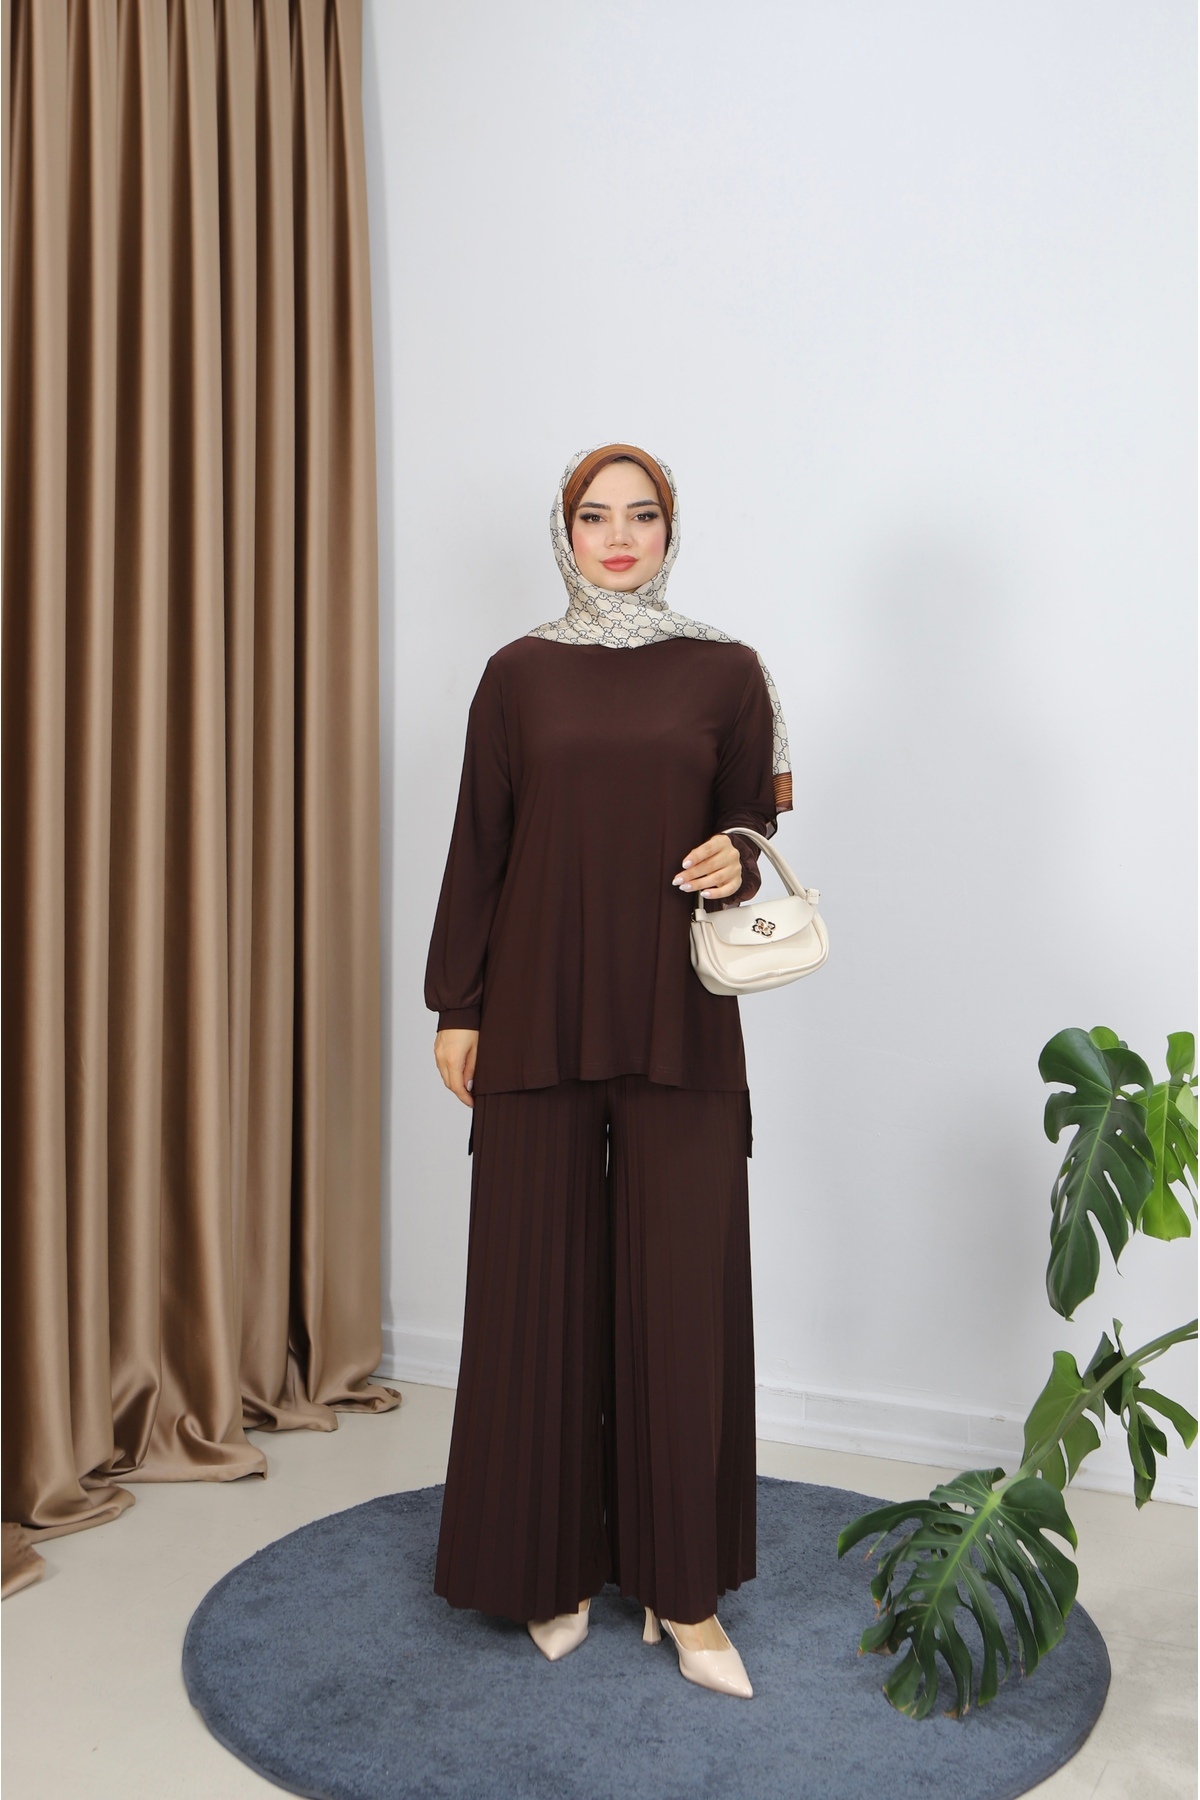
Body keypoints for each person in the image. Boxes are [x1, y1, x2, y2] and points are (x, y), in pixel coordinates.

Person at [424, 444, 793, 1700]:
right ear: (566, 531)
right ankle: (553, 1568)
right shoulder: (516, 675)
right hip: (533, 1012)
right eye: (596, 515)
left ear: (671, 530)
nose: (619, 535)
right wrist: (458, 1006)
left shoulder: (728, 670)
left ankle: (684, 1592)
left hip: (680, 1016)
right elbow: (481, 844)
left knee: (682, 1294)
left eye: (642, 515)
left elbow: (750, 826)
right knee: (535, 1290)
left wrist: (733, 858)